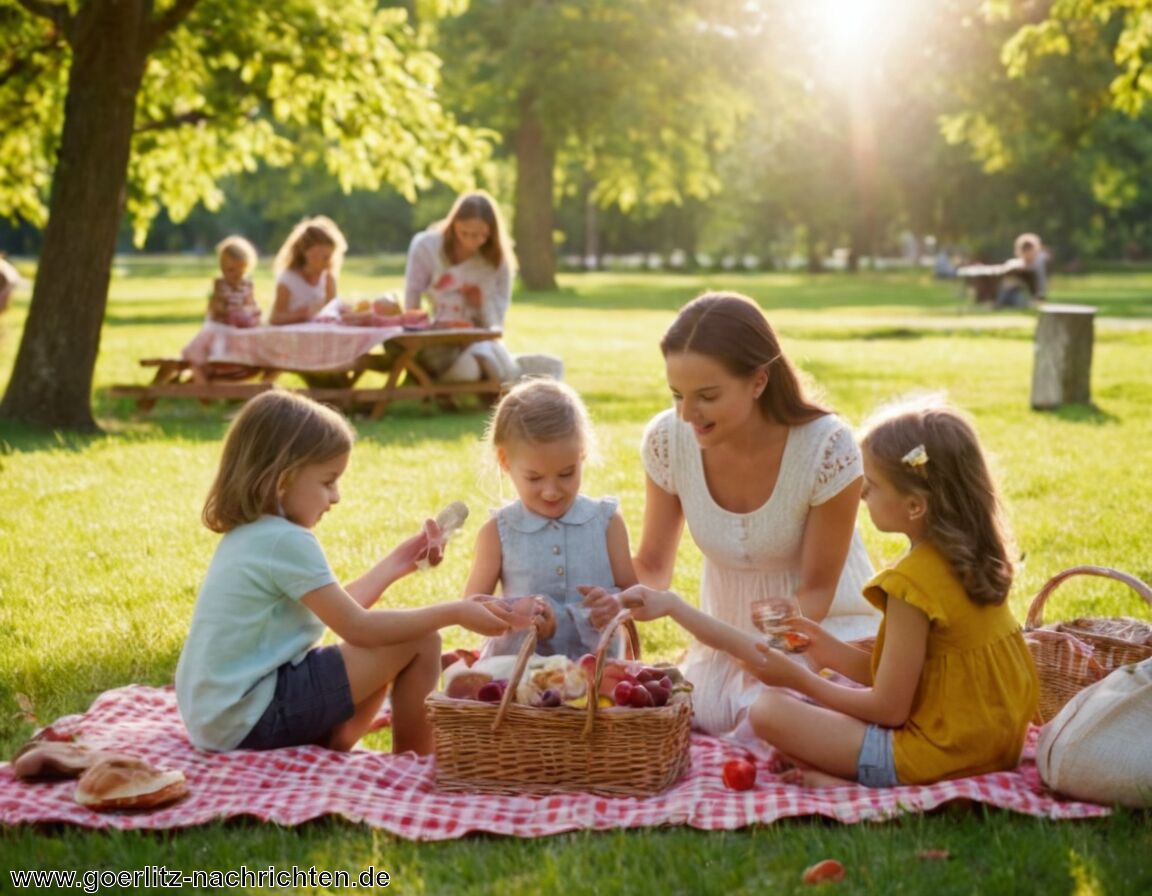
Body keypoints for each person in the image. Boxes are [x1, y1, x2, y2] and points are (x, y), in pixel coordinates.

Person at [619, 395, 1039, 788]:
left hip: (936, 756)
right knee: (817, 693)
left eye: (871, 487)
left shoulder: (910, 586)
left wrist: (800, 678)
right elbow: (909, 672)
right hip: (995, 745)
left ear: (915, 506)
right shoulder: (966, 561)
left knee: (768, 712)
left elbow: (889, 709)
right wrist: (823, 646)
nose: (860, 495)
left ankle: (845, 780)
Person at [584, 292, 880, 745]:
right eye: (677, 395)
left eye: (707, 396)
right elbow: (653, 571)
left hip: (820, 637)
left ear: (759, 380)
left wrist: (758, 656)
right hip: (723, 647)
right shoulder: (669, 440)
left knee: (782, 714)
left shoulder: (826, 448)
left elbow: (816, 595)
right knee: (686, 715)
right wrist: (602, 579)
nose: (687, 414)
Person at [174, 391, 513, 754]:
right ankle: (415, 764)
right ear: (283, 480)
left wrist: (399, 563)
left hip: (222, 719)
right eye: (327, 481)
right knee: (419, 640)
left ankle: (334, 739)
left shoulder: (253, 534)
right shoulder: (285, 541)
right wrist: (455, 611)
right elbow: (358, 628)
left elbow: (338, 611)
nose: (335, 498)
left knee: (388, 641)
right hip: (250, 717)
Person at [461, 378, 638, 659]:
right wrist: (515, 612)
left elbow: (637, 599)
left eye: (567, 474)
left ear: (582, 454)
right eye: (534, 478)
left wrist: (615, 603)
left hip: (596, 679)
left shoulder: (606, 523)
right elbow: (470, 610)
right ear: (505, 461)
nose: (552, 491)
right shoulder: (499, 531)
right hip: (518, 682)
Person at [403, 190, 519, 383]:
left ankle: (493, 373)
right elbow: (412, 300)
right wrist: (422, 327)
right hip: (437, 338)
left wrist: (481, 303)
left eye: (480, 235)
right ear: (453, 224)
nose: (471, 241)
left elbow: (497, 324)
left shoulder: (497, 262)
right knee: (471, 369)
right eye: (465, 233)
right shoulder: (426, 246)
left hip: (478, 339)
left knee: (485, 359)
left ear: (491, 232)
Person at [181, 236, 262, 381]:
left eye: (240, 271)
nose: (235, 275)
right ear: (222, 267)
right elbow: (214, 309)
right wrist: (228, 312)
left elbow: (251, 304)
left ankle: (223, 380)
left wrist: (253, 314)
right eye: (230, 270)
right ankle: (204, 389)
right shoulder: (220, 284)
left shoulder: (247, 285)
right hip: (218, 329)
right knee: (201, 356)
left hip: (237, 332)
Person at [269, 216, 347, 325]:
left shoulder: (327, 277)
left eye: (331, 257)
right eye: (325, 258)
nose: (329, 262)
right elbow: (275, 318)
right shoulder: (288, 280)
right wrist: (303, 315)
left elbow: (333, 312)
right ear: (308, 254)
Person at [996, 232, 1048, 308]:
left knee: (1019, 298)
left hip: (1025, 294)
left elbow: (1039, 285)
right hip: (1010, 292)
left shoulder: (1038, 266)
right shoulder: (1014, 263)